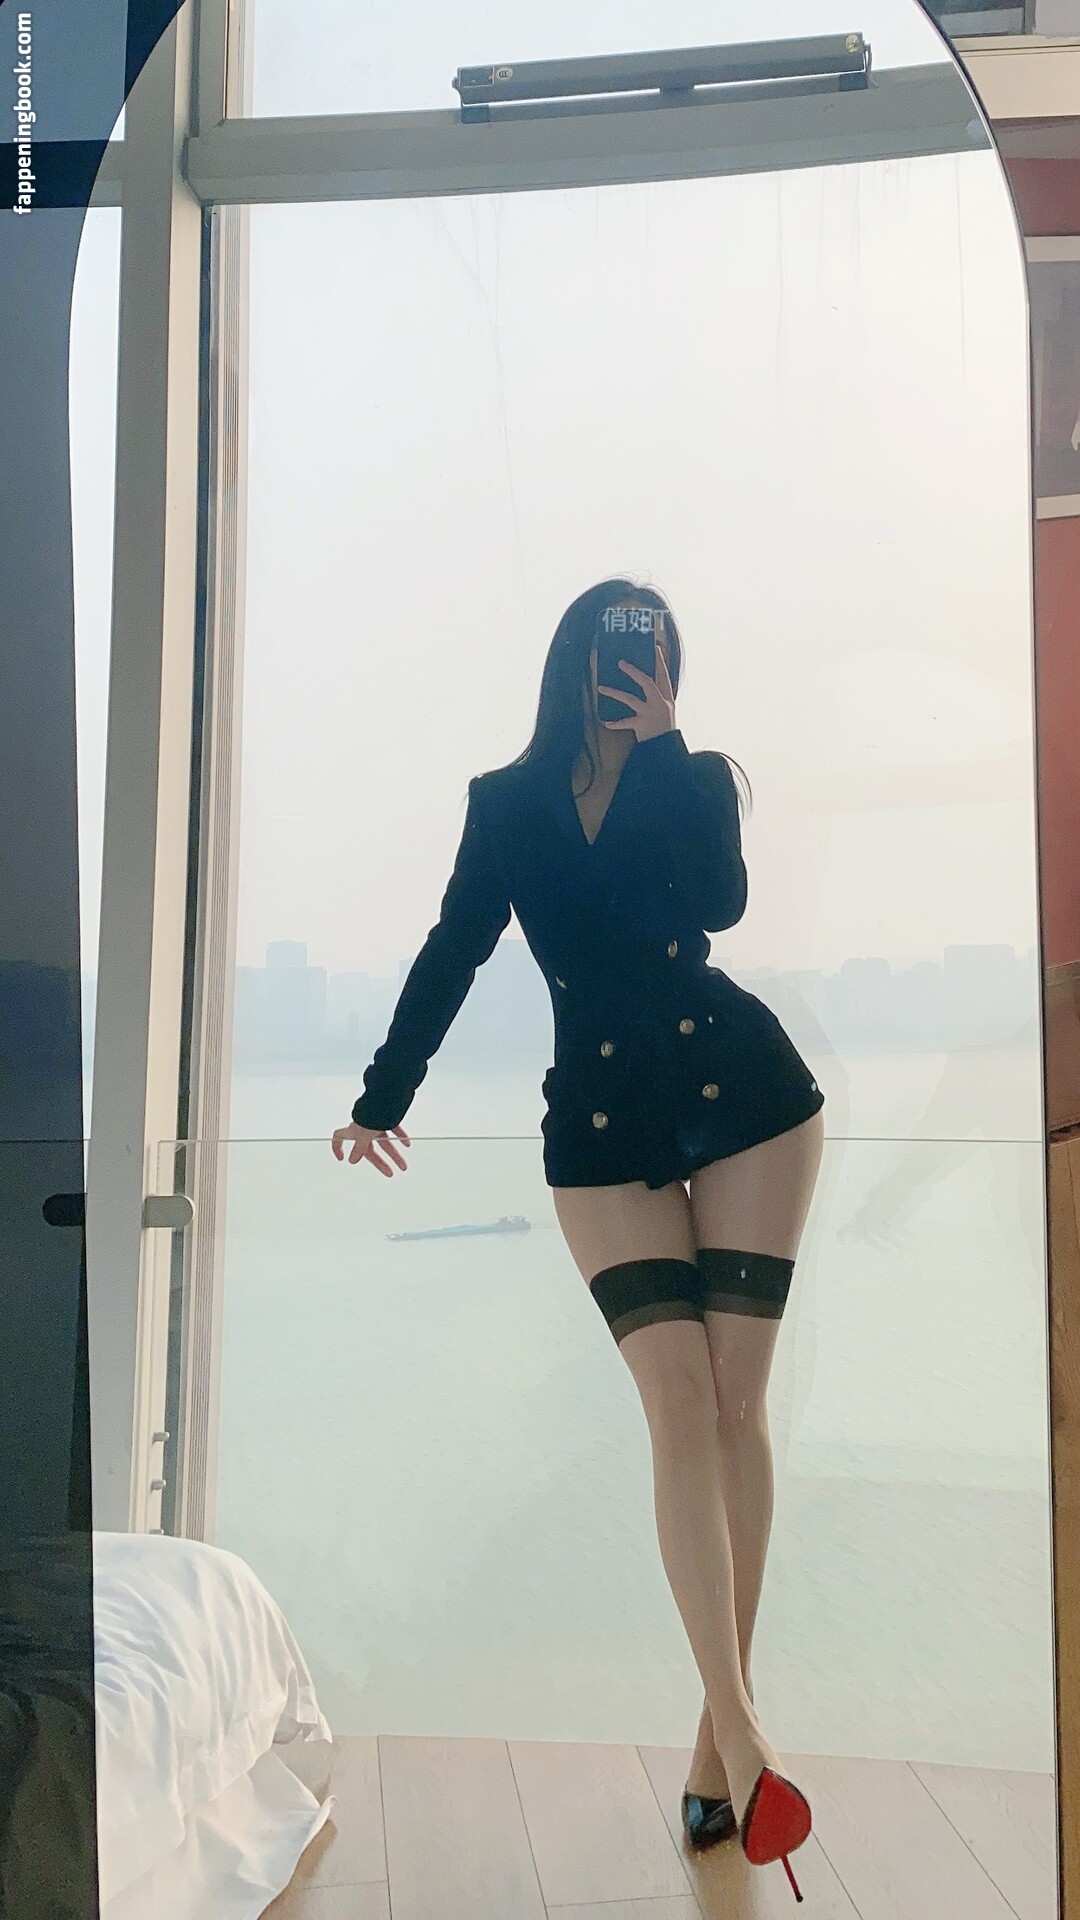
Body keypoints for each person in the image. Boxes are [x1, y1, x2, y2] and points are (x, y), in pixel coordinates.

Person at [332, 577, 825, 1901]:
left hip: (746, 1101)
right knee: (678, 1404)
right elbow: (455, 948)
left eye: (654, 652)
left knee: (735, 1406)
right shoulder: (505, 804)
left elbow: (719, 905)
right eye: (617, 650)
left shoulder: (695, 776)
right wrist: (383, 1095)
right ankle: (747, 1739)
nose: (635, 668)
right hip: (600, 1128)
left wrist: (665, 751)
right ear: (574, 661)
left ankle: (722, 1745)